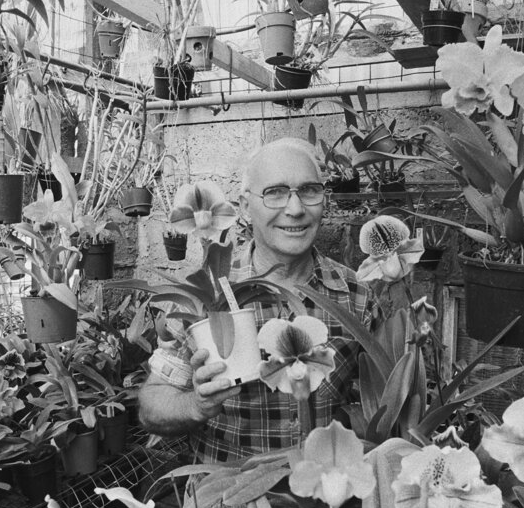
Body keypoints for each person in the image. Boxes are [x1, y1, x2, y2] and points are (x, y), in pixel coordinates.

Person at [139, 136, 376, 462]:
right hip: (229, 488)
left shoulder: (357, 295)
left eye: (309, 191)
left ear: (325, 199)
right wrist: (197, 404)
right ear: (245, 206)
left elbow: (382, 402)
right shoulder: (204, 298)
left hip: (324, 488)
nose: (295, 209)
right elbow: (152, 406)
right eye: (275, 193)